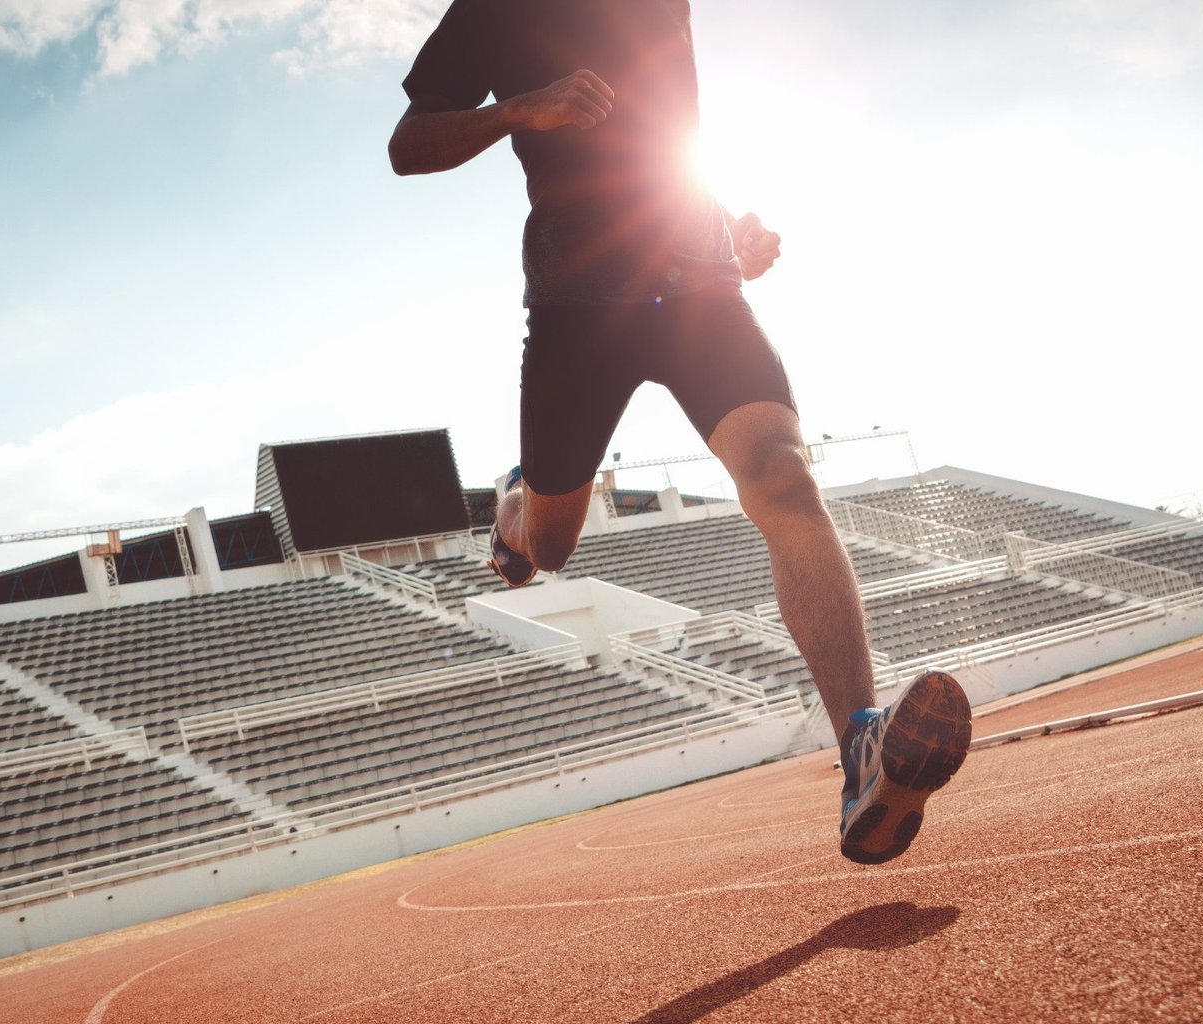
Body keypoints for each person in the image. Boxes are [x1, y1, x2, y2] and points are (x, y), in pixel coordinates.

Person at [390, 0, 970, 863]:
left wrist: (725, 223)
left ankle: (861, 749)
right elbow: (407, 146)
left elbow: (664, 142)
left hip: (700, 286)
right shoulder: (490, 9)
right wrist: (520, 109)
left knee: (782, 476)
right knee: (549, 547)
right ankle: (516, 504)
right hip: (578, 306)